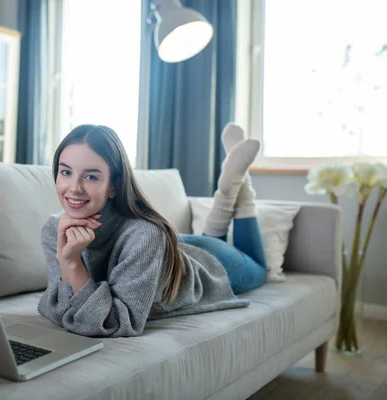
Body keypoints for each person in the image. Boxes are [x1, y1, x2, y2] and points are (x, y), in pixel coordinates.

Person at [37, 124, 266, 338]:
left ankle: (238, 187)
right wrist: (67, 260)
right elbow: (58, 308)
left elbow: (118, 322)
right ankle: (233, 183)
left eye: (91, 177)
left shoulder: (145, 235)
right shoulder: (55, 229)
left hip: (207, 263)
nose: (74, 188)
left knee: (260, 268)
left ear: (114, 186)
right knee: (160, 240)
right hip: (165, 247)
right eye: (66, 172)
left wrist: (73, 264)